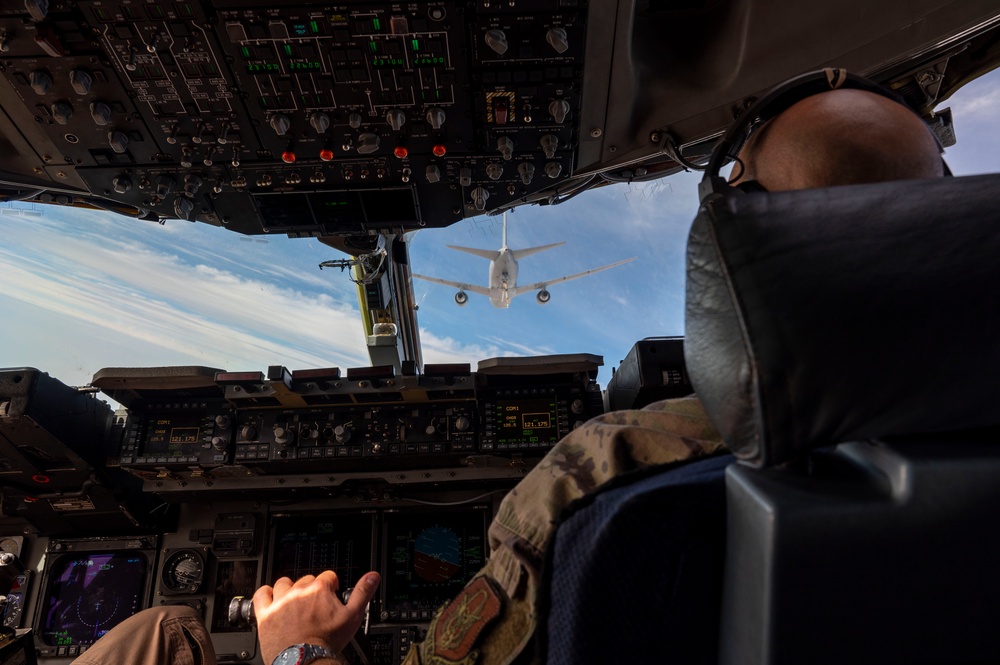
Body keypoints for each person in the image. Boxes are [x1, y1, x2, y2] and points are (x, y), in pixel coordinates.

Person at [71, 82, 947, 665]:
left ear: (731, 246)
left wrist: (301, 648)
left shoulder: (613, 469)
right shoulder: (954, 457)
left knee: (163, 633)